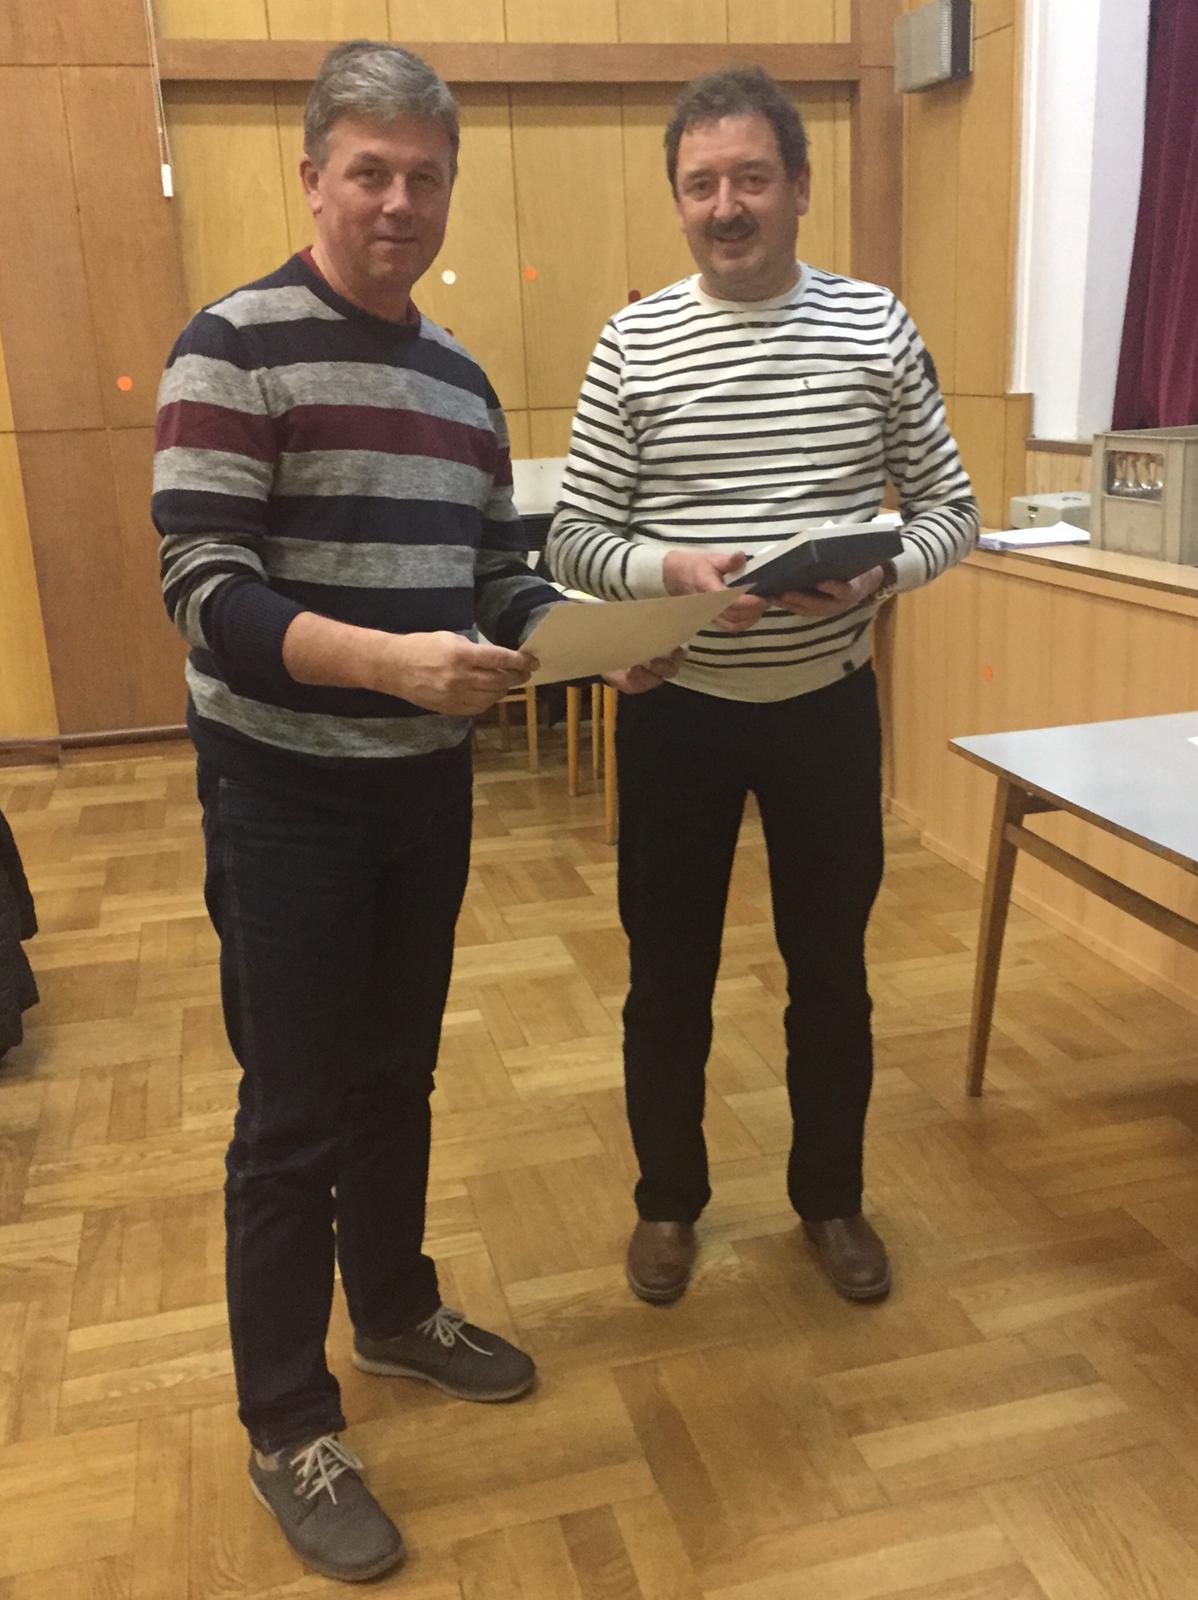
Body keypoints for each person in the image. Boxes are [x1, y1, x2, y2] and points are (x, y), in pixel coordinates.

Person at [152, 40, 673, 1584]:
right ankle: (286, 1423)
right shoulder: (227, 347)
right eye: (367, 172)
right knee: (289, 1115)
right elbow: (204, 593)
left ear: (448, 192)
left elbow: (494, 574)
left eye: (423, 177)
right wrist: (386, 661)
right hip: (281, 798)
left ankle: (390, 1310)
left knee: (397, 1078)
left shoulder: (458, 379)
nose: (397, 201)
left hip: (420, 797)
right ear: (311, 177)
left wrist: (584, 644)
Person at [546, 67, 979, 1312]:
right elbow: (573, 537)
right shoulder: (632, 342)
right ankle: (667, 1202)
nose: (725, 205)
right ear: (677, 200)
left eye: (749, 178)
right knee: (664, 977)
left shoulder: (875, 327)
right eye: (701, 185)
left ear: (800, 185)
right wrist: (670, 571)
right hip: (675, 711)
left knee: (830, 972)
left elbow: (951, 511)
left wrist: (882, 571)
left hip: (825, 711)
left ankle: (829, 1197)